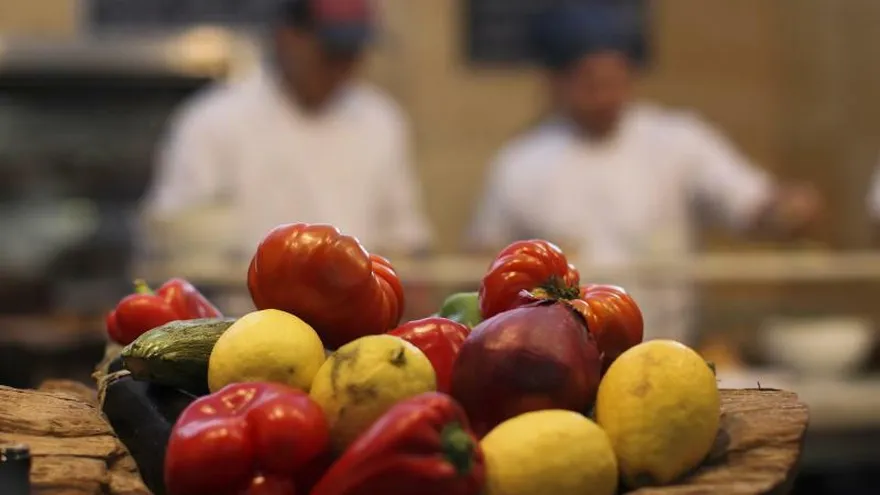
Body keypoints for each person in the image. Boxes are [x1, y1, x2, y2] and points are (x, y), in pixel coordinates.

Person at [468, 3, 823, 344]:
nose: (604, 94)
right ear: (555, 82)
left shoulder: (679, 141)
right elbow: (484, 262)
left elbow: (752, 206)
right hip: (561, 362)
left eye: (614, 78)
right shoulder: (520, 164)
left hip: (671, 348)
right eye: (589, 81)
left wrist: (785, 211)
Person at [142, 0, 432, 263]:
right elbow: (174, 239)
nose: (343, 66)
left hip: (356, 313)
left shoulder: (381, 121)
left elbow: (405, 240)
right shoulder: (214, 121)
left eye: (353, 52)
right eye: (333, 51)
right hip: (243, 315)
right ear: (287, 37)